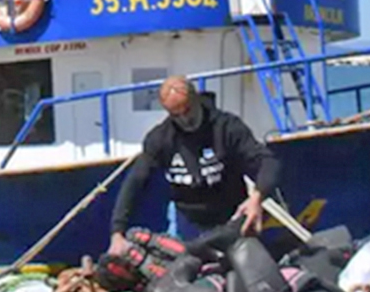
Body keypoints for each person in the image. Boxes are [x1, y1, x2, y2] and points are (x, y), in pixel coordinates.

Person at [109, 75, 282, 255]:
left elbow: (267, 161)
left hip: (232, 217)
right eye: (177, 115)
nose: (185, 120)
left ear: (196, 99)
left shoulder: (227, 127)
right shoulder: (160, 138)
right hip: (187, 222)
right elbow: (135, 182)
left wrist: (257, 197)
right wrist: (117, 232)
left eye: (188, 110)